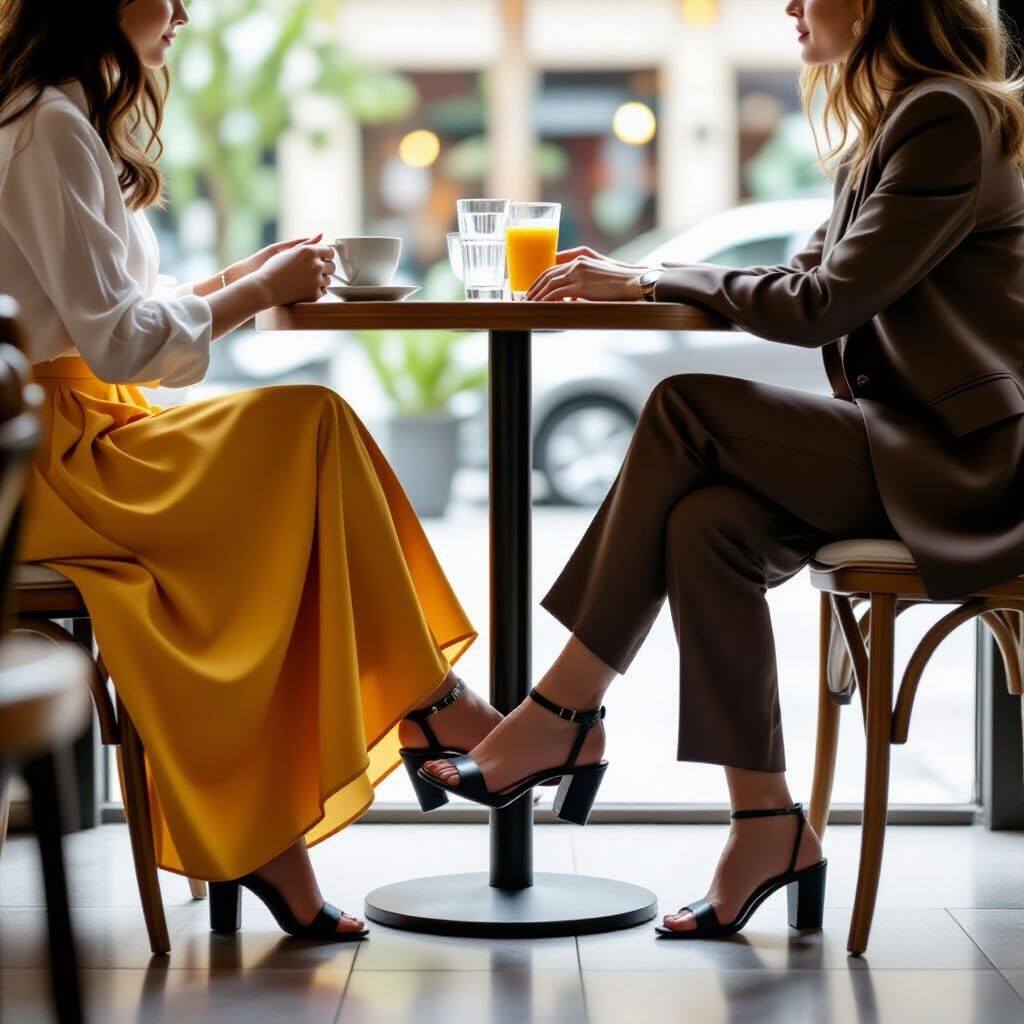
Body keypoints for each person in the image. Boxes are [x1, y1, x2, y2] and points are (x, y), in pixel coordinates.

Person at [424, 0, 1024, 939]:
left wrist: (654, 277)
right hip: (904, 448)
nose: (787, 6)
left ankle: (562, 710)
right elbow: (807, 276)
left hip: (964, 470)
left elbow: (820, 304)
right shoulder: (900, 124)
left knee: (684, 405)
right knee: (708, 524)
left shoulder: (945, 116)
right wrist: (650, 276)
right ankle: (767, 826)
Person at [0, 0, 502, 942]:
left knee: (290, 479)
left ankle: (297, 813)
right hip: (53, 462)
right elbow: (115, 343)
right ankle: (429, 706)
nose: (185, 10)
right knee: (308, 427)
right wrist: (257, 294)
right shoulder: (46, 125)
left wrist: (235, 278)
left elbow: (94, 313)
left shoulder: (47, 115)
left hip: (74, 438)